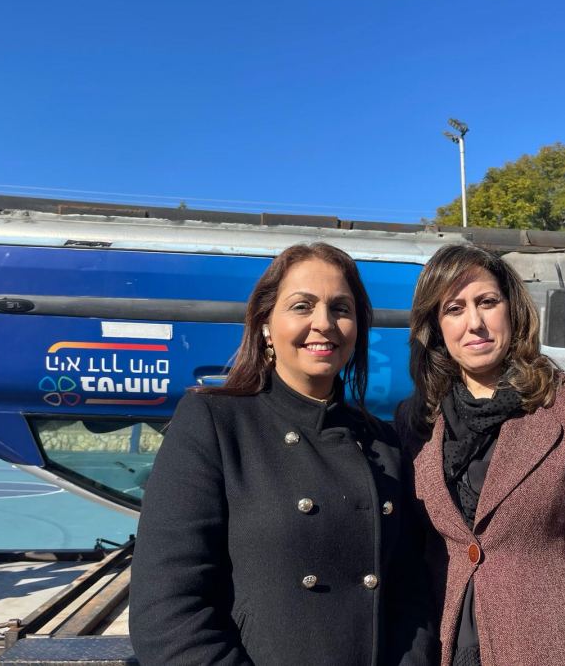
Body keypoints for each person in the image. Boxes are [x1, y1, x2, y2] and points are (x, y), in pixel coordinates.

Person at [130, 243, 436, 665]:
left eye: (341, 309)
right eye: (302, 306)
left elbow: (411, 596)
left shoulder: (382, 442)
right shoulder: (216, 423)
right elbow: (167, 614)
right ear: (265, 325)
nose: (323, 323)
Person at [396, 244, 565, 666]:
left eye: (487, 302)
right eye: (454, 309)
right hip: (449, 645)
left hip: (555, 644)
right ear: (435, 326)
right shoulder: (417, 421)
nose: (475, 323)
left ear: (513, 309)